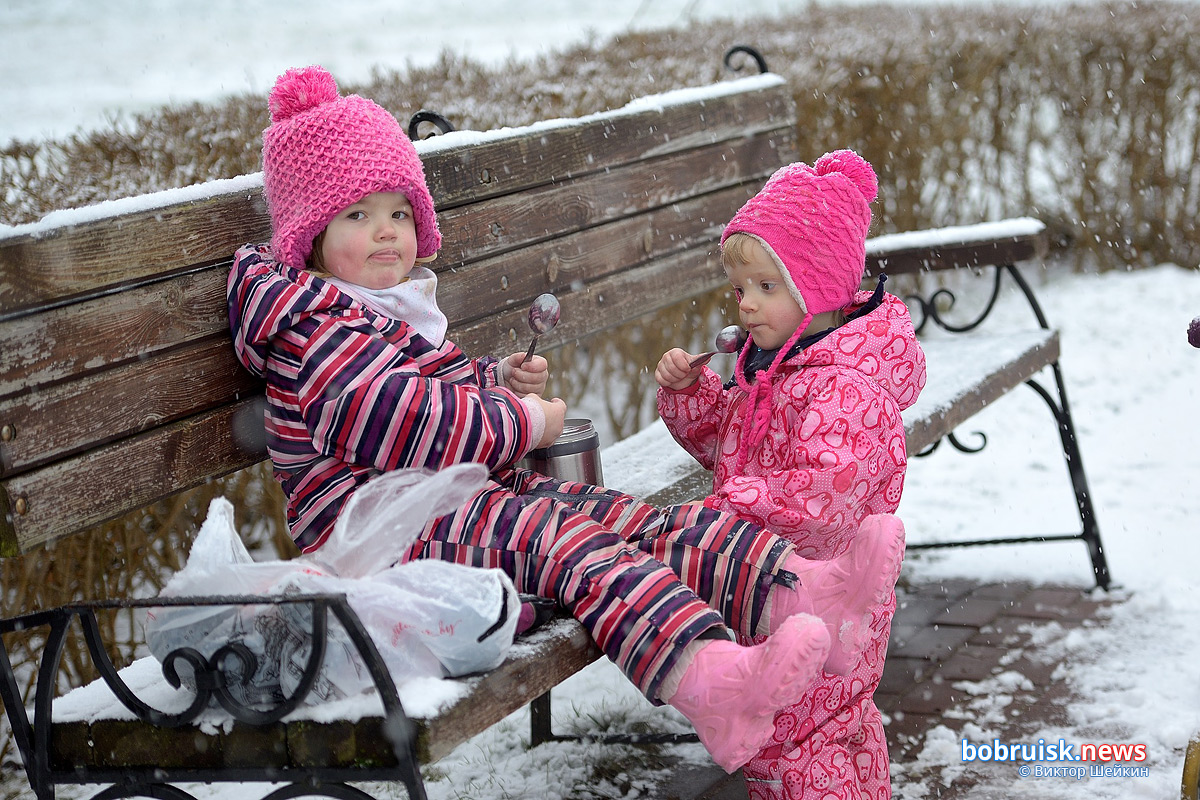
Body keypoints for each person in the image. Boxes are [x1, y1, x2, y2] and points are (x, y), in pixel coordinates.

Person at [228, 65, 907, 773]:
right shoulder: (315, 330)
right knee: (568, 543)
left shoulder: (369, 311)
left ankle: (799, 591)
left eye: (398, 212)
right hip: (375, 538)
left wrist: (493, 381)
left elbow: (425, 398)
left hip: (446, 506)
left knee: (625, 518)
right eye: (359, 216)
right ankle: (711, 684)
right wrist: (522, 422)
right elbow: (400, 424)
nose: (388, 232)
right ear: (310, 233)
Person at [655, 150, 927, 798]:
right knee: (833, 731)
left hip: (825, 598)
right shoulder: (780, 367)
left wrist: (730, 504)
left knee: (794, 747)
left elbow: (820, 497)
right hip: (783, 586)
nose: (746, 305)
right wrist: (697, 398)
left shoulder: (843, 390)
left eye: (766, 288)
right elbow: (735, 449)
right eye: (741, 289)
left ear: (821, 286)